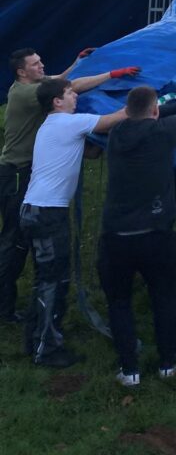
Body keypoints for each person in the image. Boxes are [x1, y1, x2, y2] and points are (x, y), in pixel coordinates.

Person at [0, 48, 138, 324]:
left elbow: (60, 81)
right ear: (21, 72)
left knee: (30, 244)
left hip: (31, 172)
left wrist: (77, 62)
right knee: (14, 243)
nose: (42, 65)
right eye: (35, 64)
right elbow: (69, 87)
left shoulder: (38, 87)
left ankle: (36, 304)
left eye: (41, 61)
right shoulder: (26, 94)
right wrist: (112, 75)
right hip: (16, 174)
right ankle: (5, 307)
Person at [98, 85, 176, 386]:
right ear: (154, 112)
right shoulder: (163, 133)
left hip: (116, 235)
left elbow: (146, 114)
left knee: (119, 302)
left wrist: (170, 105)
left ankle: (129, 369)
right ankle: (168, 362)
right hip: (156, 234)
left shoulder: (116, 136)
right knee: (164, 297)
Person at [20, 78, 127, 367]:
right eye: (70, 93)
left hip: (36, 210)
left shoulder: (54, 125)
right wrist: (152, 101)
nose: (75, 96)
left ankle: (34, 339)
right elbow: (118, 117)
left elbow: (89, 152)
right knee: (54, 282)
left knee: (45, 279)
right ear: (57, 101)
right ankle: (48, 351)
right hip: (47, 213)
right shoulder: (68, 122)